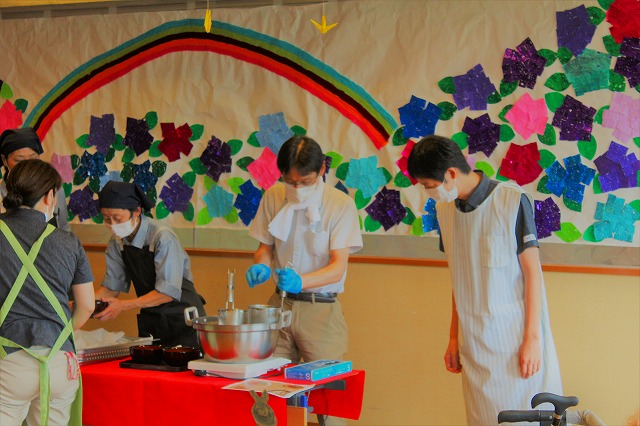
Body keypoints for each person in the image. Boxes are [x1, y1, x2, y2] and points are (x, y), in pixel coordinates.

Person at [407, 134, 562, 424]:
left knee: (523, 418)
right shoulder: (445, 211)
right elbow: (459, 278)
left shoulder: (511, 200)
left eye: (429, 186)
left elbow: (533, 274)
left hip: (515, 341)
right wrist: (453, 337)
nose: (429, 193)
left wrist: (532, 339)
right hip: (475, 345)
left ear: (451, 174)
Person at [246, 135, 363, 365]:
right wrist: (260, 264)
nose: (297, 188)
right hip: (280, 304)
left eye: (305, 182)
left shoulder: (339, 205)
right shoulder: (273, 196)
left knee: (323, 388)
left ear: (321, 169)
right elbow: (264, 248)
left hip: (320, 308)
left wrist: (301, 281)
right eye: (290, 181)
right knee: (269, 382)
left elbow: (337, 268)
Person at [0, 159, 94, 426]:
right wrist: (60, 333)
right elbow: (86, 305)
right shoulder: (68, 241)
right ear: (50, 195)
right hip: (60, 363)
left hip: (10, 358)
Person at [93, 180, 206, 348]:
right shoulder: (117, 242)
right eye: (107, 219)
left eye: (117, 218)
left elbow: (167, 292)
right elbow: (112, 287)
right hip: (153, 320)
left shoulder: (161, 236)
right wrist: (85, 305)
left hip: (184, 319)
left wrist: (123, 305)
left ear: (137, 211)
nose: (113, 225)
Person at [0, 127, 71, 232]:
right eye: (19, 161)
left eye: (33, 159)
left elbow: (63, 227)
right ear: (4, 160)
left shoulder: (53, 189)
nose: (28, 166)